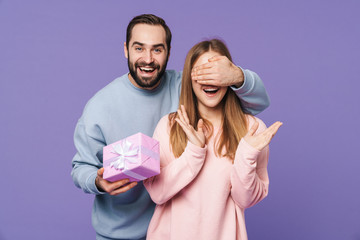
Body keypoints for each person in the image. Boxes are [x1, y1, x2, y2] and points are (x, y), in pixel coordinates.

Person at [71, 14, 270, 240]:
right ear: (126, 49)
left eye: (157, 49)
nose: (147, 59)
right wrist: (97, 181)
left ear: (168, 51)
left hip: (177, 226)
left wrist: (237, 75)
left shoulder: (187, 85)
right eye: (139, 48)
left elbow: (258, 103)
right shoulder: (101, 106)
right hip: (122, 230)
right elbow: (81, 167)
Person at [143, 39, 282, 240]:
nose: (209, 80)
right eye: (201, 72)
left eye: (215, 72)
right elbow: (157, 193)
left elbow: (246, 200)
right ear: (189, 79)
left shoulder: (251, 130)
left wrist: (246, 155)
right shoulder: (169, 126)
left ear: (229, 77)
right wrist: (194, 152)